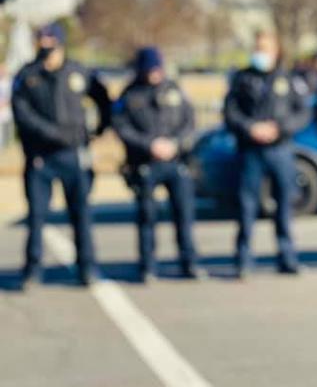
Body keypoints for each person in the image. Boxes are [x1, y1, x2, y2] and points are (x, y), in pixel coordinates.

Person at [12, 24, 111, 287]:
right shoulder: (28, 75)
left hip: (74, 155)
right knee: (36, 217)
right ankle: (32, 269)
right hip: (41, 158)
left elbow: (104, 100)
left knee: (81, 214)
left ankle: (87, 267)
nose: (46, 51)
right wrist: (52, 134)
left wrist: (97, 131)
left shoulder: (78, 72)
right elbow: (22, 115)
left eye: (51, 44)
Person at [224, 30, 312, 278]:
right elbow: (230, 113)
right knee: (247, 206)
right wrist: (250, 128)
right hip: (251, 151)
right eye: (257, 48)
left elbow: (303, 113)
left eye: (265, 48)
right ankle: (243, 259)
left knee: (285, 204)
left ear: (276, 51)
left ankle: (287, 257)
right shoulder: (242, 79)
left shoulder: (289, 79)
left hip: (281, 149)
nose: (260, 53)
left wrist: (280, 128)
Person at [112, 47, 200, 282]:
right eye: (150, 69)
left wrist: (176, 144)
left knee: (184, 215)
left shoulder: (174, 90)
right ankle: (147, 266)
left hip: (176, 162)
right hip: (145, 163)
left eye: (157, 69)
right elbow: (121, 126)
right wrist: (149, 144)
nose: (154, 74)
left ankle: (188, 262)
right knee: (147, 217)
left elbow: (189, 121)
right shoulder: (130, 95)